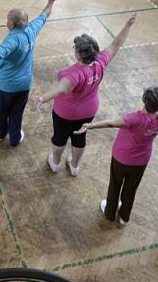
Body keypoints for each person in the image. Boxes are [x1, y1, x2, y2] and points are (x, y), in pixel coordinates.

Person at [76, 59, 158, 226]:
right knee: (131, 189)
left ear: (145, 101)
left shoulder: (136, 119)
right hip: (141, 161)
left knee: (115, 185)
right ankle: (124, 216)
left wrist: (90, 125)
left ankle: (110, 212)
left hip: (121, 157)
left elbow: (111, 123)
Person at [36, 14, 137, 176]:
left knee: (60, 137)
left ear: (79, 55)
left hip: (65, 114)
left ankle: (55, 163)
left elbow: (61, 89)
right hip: (89, 111)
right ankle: (74, 166)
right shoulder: (101, 61)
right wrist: (128, 26)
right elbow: (115, 45)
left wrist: (43, 98)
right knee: (79, 138)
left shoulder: (73, 73)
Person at [0, 0, 58, 147]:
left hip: (7, 85)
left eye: (8, 20)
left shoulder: (12, 39)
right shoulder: (31, 29)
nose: (6, 22)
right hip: (24, 84)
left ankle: (1, 134)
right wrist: (50, 2)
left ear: (12, 24)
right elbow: (45, 14)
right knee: (16, 114)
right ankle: (14, 139)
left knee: (1, 111)